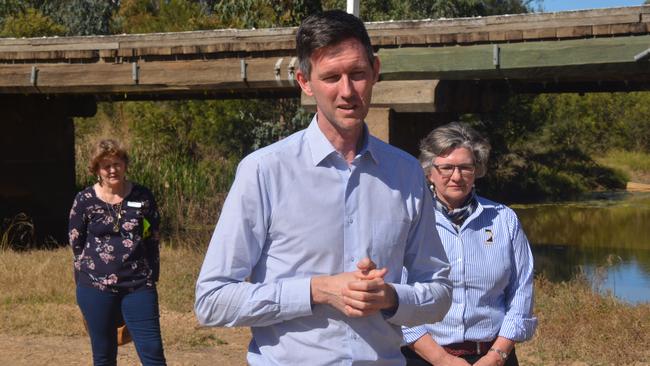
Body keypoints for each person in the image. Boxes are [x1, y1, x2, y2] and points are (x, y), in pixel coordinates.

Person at [195, 10, 452, 365]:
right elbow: (212, 301)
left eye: (358, 74)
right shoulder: (264, 171)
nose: (347, 92)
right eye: (331, 77)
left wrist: (390, 297)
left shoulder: (406, 174)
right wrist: (316, 290)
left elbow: (439, 294)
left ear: (376, 71)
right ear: (304, 81)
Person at [400, 122, 537, 366]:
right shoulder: (409, 220)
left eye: (465, 167)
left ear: (477, 170)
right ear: (429, 171)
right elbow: (397, 297)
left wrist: (497, 356)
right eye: (447, 168)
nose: (456, 176)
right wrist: (441, 359)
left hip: (493, 357)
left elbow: (521, 292)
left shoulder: (504, 219)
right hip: (424, 357)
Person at [68, 139, 166, 366]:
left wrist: (152, 275)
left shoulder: (143, 196)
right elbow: (76, 243)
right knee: (103, 357)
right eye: (106, 165)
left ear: (125, 164)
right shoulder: (84, 200)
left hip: (139, 285)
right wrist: (85, 277)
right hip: (95, 288)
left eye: (117, 163)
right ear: (97, 170)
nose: (112, 169)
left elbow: (153, 238)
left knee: (153, 354)